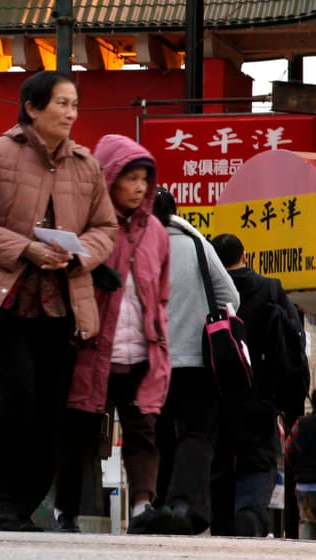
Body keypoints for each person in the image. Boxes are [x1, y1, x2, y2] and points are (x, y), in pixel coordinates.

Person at [0, 70, 117, 532]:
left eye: (74, 104)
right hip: (8, 301)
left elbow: (106, 229)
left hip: (62, 302)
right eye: (61, 103)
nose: (71, 112)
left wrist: (79, 255)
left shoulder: (86, 164)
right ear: (32, 107)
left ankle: (22, 504)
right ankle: (4, 501)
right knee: (19, 395)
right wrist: (25, 247)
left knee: (52, 407)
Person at [53, 134, 170, 535]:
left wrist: (159, 340)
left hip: (140, 352)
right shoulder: (89, 225)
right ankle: (64, 510)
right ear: (109, 178)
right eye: (130, 178)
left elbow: (162, 293)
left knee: (142, 433)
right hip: (92, 347)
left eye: (144, 179)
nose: (138, 187)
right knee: (79, 434)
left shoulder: (155, 230)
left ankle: (142, 506)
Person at [151, 188, 239, 535]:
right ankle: (185, 504)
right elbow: (230, 297)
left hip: (150, 360)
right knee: (196, 433)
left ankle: (157, 506)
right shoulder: (198, 244)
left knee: (157, 434)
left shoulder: (137, 247)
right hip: (197, 359)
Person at [209, 231, 308, 537]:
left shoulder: (211, 293)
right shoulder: (270, 288)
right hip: (261, 393)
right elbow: (292, 341)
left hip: (219, 393)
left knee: (220, 461)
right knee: (259, 461)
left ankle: (223, 523)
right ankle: (250, 512)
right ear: (245, 255)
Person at [283, 392, 316, 540]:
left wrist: (295, 469)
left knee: (306, 522)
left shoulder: (301, 424)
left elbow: (288, 450)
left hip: (304, 485)